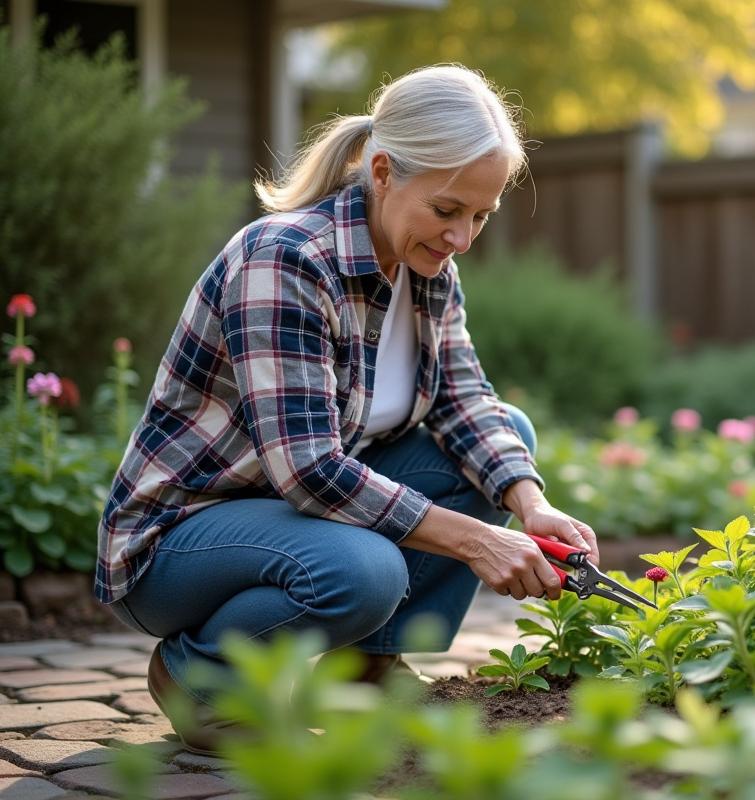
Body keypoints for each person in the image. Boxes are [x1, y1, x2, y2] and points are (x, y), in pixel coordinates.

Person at [94, 64, 598, 755]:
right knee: (364, 570)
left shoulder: (428, 272)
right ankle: (201, 676)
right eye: (448, 210)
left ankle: (364, 669)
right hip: (179, 542)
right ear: (383, 171)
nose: (463, 239)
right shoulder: (287, 259)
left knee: (508, 436)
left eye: (481, 216)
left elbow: (465, 402)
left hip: (290, 522)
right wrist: (479, 540)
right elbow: (307, 470)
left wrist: (530, 504)